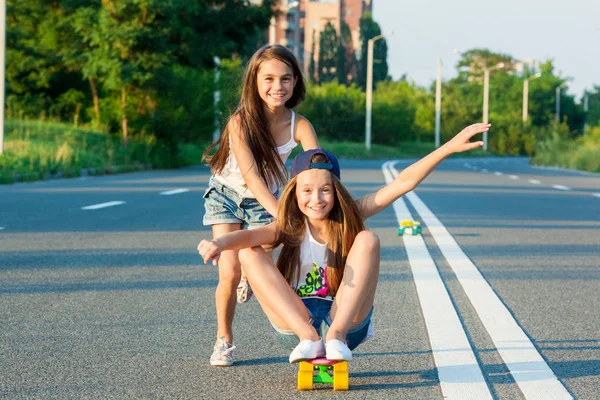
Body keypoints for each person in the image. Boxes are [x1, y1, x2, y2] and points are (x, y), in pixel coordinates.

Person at [197, 123, 490, 363]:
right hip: (296, 320)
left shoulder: (350, 216)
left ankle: (334, 337)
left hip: (346, 319)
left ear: (336, 192)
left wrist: (448, 147)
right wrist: (220, 243)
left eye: (325, 190)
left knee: (367, 238)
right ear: (294, 194)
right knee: (249, 252)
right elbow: (249, 235)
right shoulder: (290, 225)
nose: (316, 199)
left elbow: (402, 182)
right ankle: (310, 339)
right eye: (307, 191)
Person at [201, 44, 319, 366]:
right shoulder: (240, 122)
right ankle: (223, 340)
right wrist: (282, 211)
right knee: (228, 271)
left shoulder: (301, 126)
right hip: (227, 195)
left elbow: (317, 170)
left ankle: (249, 275)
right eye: (268, 79)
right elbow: (252, 178)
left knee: (261, 254)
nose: (277, 87)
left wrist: (321, 206)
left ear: (296, 82)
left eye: (285, 79)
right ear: (255, 81)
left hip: (263, 199)